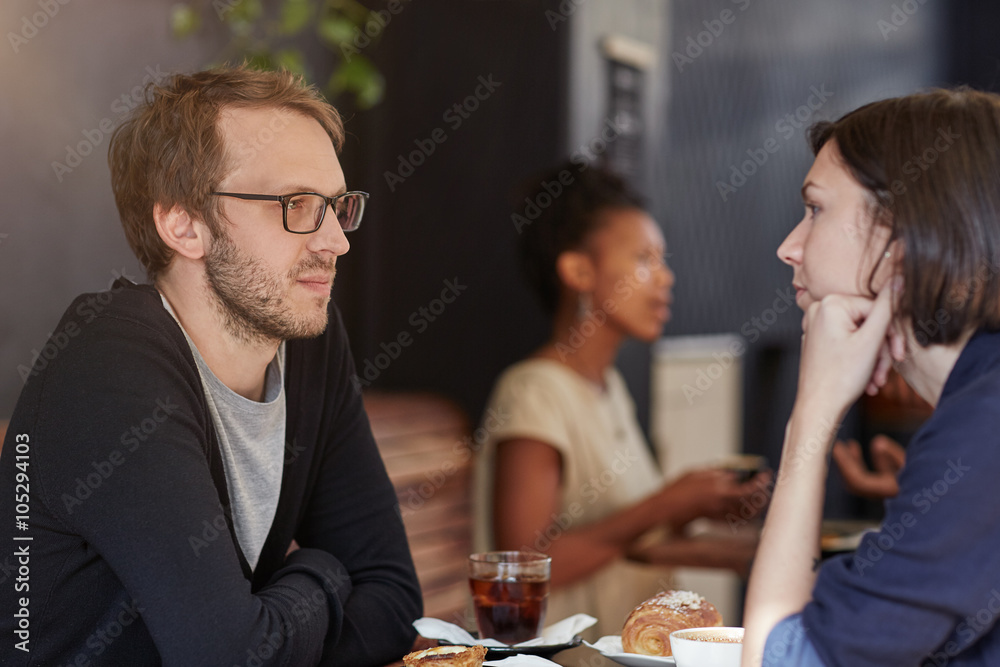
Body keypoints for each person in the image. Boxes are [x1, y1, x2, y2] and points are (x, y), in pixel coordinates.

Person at [0, 67, 422, 666]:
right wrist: (324, 571)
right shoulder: (108, 366)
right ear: (183, 224)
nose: (335, 242)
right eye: (297, 204)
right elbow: (227, 656)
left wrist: (274, 634)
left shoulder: (307, 341)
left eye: (336, 206)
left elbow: (395, 601)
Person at [743, 87, 1000, 666]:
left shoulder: (984, 427)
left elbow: (782, 658)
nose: (789, 247)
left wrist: (811, 414)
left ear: (901, 235)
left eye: (815, 209)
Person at [473, 163, 770, 638]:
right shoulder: (533, 391)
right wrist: (667, 503)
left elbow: (618, 541)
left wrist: (694, 510)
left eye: (663, 259)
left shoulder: (608, 388)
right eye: (644, 259)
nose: (665, 277)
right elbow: (521, 571)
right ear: (578, 271)